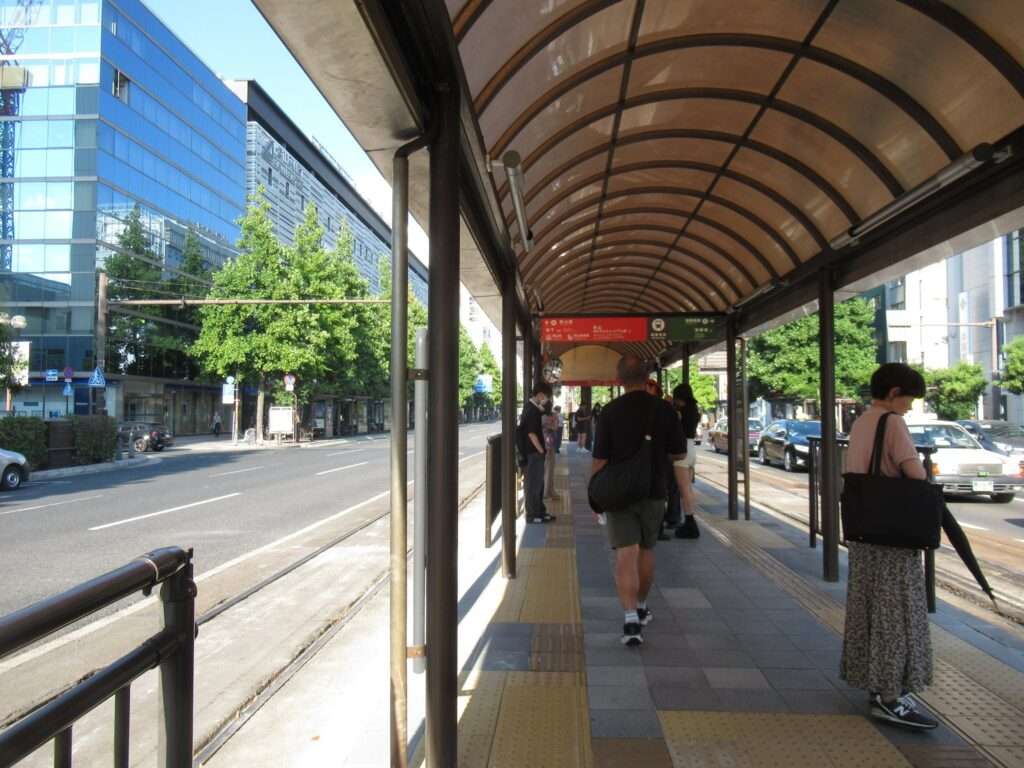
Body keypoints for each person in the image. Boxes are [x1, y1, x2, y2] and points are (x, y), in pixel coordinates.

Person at [840, 363, 936, 730]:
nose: (910, 406)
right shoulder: (892, 422)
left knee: (871, 608)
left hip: (866, 531)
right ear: (894, 392)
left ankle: (877, 684)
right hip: (893, 535)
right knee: (897, 612)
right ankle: (890, 695)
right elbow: (914, 472)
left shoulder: (862, 420)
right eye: (909, 398)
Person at [592, 355, 687, 647]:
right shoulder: (665, 410)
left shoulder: (609, 412)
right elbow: (680, 454)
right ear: (647, 378)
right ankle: (642, 604)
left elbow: (599, 460)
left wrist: (596, 496)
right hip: (654, 490)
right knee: (646, 550)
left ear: (618, 380)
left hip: (619, 493)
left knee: (625, 552)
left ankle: (631, 617)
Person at [519, 382, 555, 524]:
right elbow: (531, 434)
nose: (547, 400)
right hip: (533, 453)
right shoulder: (532, 410)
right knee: (533, 484)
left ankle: (540, 511)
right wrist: (541, 450)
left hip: (533, 452)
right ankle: (532, 515)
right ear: (540, 394)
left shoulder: (532, 408)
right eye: (546, 396)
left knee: (538, 484)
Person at [670, 383, 701, 539]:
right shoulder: (694, 411)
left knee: (684, 490)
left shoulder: (681, 412)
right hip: (691, 448)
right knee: (688, 488)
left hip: (682, 450)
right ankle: (689, 520)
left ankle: (690, 523)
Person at [542, 401, 560, 501]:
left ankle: (548, 492)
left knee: (547, 468)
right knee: (550, 468)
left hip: (544, 443)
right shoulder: (553, 416)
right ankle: (548, 492)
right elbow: (555, 427)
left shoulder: (541, 416)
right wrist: (553, 422)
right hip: (550, 442)